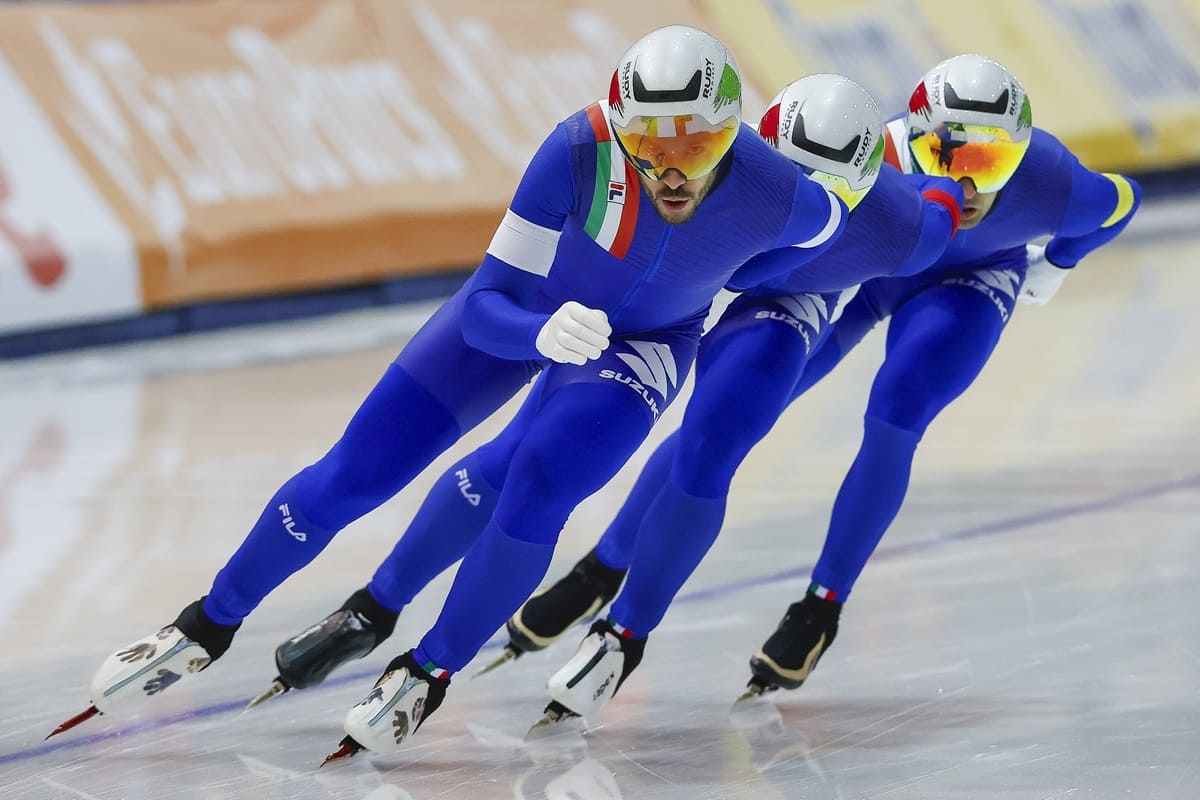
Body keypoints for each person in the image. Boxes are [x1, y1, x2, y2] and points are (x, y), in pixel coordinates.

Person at [48, 25, 851, 757]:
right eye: (648, 140)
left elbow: (826, 238)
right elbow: (484, 304)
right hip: (525, 315)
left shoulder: (782, 190)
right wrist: (538, 334)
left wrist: (724, 286)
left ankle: (427, 670)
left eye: (697, 142)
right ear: (618, 125)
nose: (671, 166)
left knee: (538, 481)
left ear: (734, 130)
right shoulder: (577, 151)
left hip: (642, 348)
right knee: (355, 474)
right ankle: (205, 624)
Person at [249, 74, 968, 726]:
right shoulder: (712, 166)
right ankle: (380, 605)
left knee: (714, 443)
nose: (797, 204)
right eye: (789, 177)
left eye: (830, 193)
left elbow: (955, 227)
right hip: (667, 303)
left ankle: (627, 628)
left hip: (788, 302)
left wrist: (1031, 244)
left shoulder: (895, 227)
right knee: (517, 458)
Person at [518, 53, 1142, 712]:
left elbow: (1117, 203)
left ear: (1021, 156)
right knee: (724, 420)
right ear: (913, 139)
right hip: (855, 276)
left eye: (989, 163)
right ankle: (608, 562)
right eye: (947, 154)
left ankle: (821, 607)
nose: (966, 181)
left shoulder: (1052, 180)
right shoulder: (876, 176)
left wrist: (1058, 262)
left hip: (972, 278)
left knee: (898, 409)